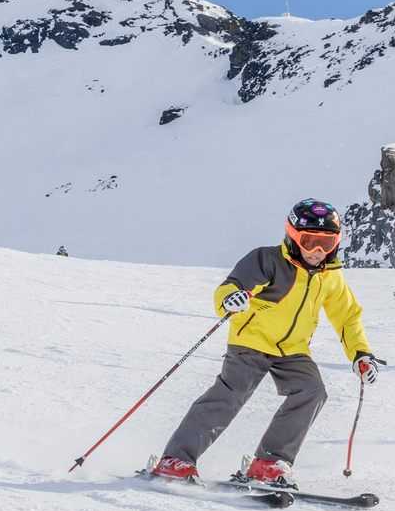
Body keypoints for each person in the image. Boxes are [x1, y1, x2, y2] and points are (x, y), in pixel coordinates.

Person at [148, 200, 380, 487]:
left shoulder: (331, 276)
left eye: (327, 243)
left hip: (293, 349)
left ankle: (268, 462)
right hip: (252, 340)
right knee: (231, 395)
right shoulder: (267, 259)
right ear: (293, 236)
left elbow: (347, 317)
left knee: (312, 392)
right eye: (310, 242)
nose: (318, 251)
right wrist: (229, 300)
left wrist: (360, 353)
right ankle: (175, 459)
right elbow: (231, 286)